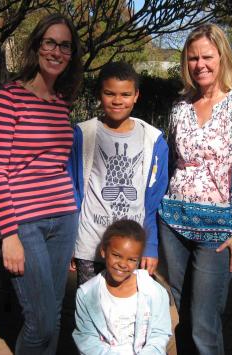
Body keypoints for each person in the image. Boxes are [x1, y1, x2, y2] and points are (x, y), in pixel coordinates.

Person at [158, 24, 232, 355]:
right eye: (192, 58)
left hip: (218, 231)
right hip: (173, 223)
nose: (199, 64)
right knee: (185, 318)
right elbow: (171, 161)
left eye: (207, 56)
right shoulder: (180, 106)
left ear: (221, 57)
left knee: (204, 323)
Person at [0, 13, 83, 355]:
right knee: (39, 322)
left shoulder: (61, 104)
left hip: (63, 218)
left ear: (71, 54)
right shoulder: (7, 99)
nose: (57, 51)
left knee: (53, 316)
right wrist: (8, 234)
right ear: (37, 46)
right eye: (50, 42)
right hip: (24, 224)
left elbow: (59, 166)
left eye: (65, 46)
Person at [69, 61, 168, 285]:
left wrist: (150, 246)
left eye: (125, 94)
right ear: (99, 94)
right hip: (90, 245)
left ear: (136, 95)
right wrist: (72, 243)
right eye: (109, 93)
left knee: (126, 314)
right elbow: (72, 192)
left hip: (131, 251)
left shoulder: (153, 140)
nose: (117, 101)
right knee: (90, 310)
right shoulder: (83, 134)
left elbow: (152, 202)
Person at [73, 220, 172, 354]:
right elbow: (86, 338)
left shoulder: (155, 292)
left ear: (139, 259)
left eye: (131, 259)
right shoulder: (86, 294)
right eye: (117, 255)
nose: (123, 264)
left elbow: (160, 334)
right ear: (103, 251)